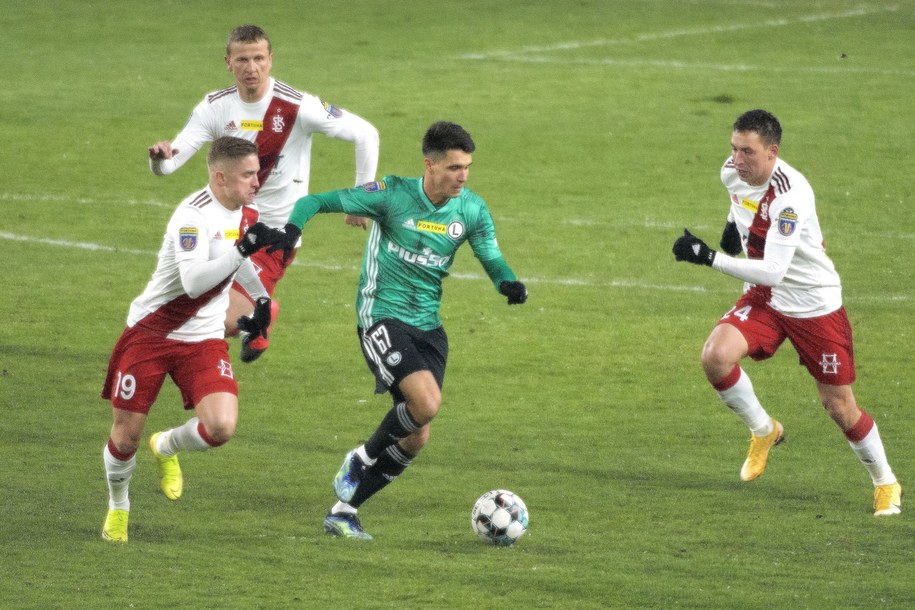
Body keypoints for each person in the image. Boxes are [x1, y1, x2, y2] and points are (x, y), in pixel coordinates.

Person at [271, 121, 528, 539]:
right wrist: (291, 230)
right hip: (381, 317)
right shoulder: (391, 195)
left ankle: (343, 512)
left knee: (416, 435)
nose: (463, 176)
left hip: (428, 327)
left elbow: (491, 257)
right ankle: (361, 457)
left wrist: (507, 283)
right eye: (454, 168)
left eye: (467, 167)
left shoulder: (471, 210)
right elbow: (315, 201)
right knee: (425, 404)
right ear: (429, 165)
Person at [672, 109, 901, 516]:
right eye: (734, 149)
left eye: (748, 152)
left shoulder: (791, 197)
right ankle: (764, 430)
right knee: (715, 356)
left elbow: (776, 271)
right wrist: (732, 225)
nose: (736, 160)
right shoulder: (731, 172)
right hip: (764, 298)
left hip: (813, 305)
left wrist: (710, 257)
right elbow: (740, 203)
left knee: (839, 407)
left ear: (772, 152)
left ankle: (885, 481)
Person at [148, 24, 379, 363]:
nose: (251, 68)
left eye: (258, 58)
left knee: (205, 315)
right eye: (242, 59)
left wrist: (361, 199)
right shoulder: (214, 107)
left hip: (273, 234)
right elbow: (169, 165)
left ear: (270, 60)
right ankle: (250, 329)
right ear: (228, 63)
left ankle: (250, 326)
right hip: (224, 225)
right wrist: (158, 160)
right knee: (190, 300)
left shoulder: (297, 106)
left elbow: (366, 134)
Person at [101, 137, 284, 542]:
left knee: (220, 427)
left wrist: (261, 298)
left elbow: (239, 266)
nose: (257, 181)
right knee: (125, 435)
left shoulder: (242, 211)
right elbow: (194, 280)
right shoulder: (193, 217)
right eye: (248, 175)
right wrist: (241, 252)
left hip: (202, 337)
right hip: (152, 332)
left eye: (257, 172)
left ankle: (166, 445)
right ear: (220, 177)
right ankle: (119, 505)